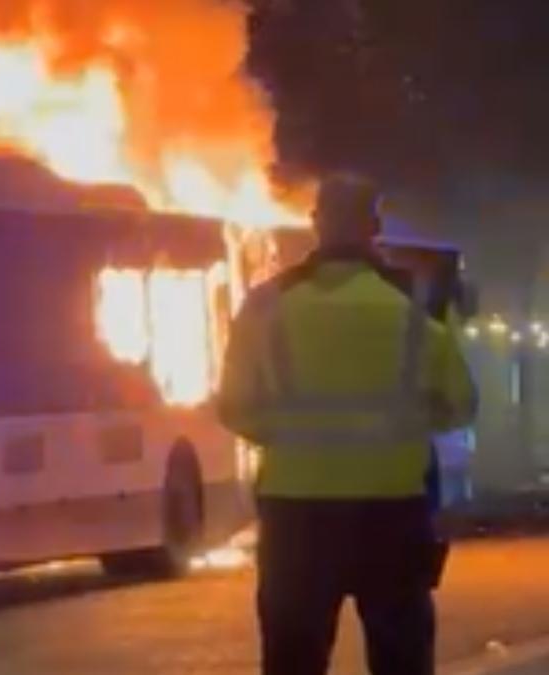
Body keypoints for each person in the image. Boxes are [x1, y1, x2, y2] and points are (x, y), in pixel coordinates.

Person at [216, 174, 477, 675]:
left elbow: (235, 408)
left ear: (316, 224)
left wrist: (294, 440)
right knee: (401, 658)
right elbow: (460, 406)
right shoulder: (411, 314)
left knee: (294, 660)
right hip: (392, 514)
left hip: (296, 518)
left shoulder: (265, 307)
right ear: (374, 226)